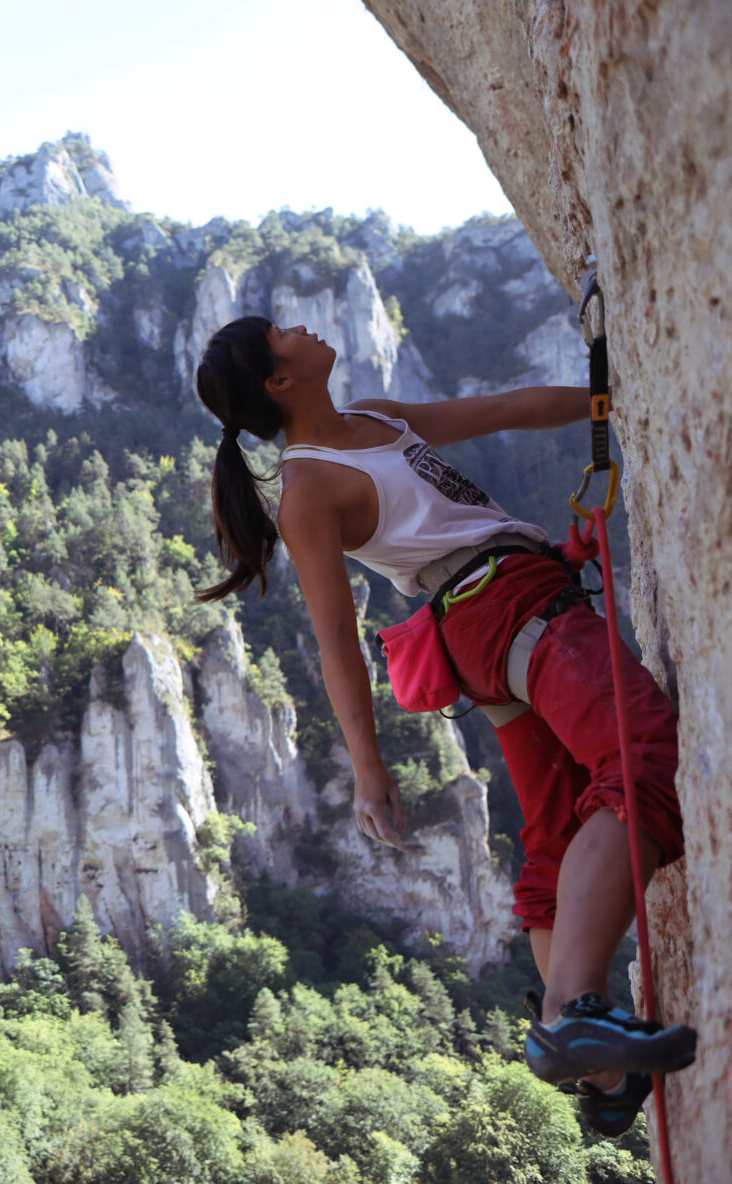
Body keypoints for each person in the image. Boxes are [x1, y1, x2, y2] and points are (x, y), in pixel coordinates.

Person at [193, 316, 694, 1135]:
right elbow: (335, 641)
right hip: (503, 606)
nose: (302, 325)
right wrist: (368, 767)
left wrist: (612, 398)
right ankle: (574, 1012)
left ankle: (600, 1067)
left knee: (556, 837)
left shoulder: (379, 417)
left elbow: (508, 409)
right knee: (644, 762)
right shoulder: (309, 491)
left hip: (494, 615)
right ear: (280, 382)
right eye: (282, 334)